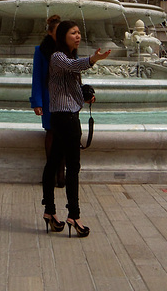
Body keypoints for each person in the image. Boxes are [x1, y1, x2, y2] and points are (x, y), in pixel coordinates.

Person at [41, 20, 111, 237]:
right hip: (66, 119)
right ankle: (74, 215)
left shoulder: (68, 58)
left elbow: (70, 85)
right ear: (63, 36)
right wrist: (93, 59)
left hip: (65, 116)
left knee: (54, 162)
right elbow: (74, 66)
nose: (78, 36)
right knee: (72, 167)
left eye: (79, 32)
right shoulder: (58, 57)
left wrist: (84, 95)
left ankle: (50, 212)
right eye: (73, 33)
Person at [30, 15, 65, 186]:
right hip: (49, 96)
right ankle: (51, 171)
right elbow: (37, 77)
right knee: (51, 132)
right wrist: (36, 102)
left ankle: (61, 171)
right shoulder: (41, 50)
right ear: (50, 33)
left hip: (66, 98)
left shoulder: (70, 48)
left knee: (65, 134)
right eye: (58, 31)